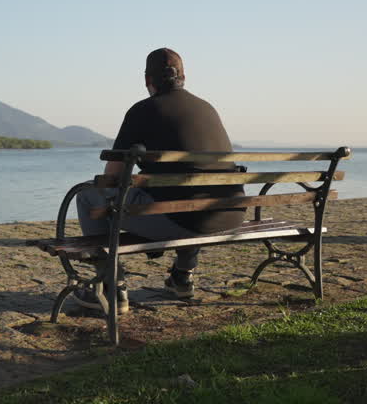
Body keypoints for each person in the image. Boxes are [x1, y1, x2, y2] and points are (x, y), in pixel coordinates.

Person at [73, 47, 244, 313]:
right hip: (230, 214)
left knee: (86, 196)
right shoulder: (207, 108)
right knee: (189, 198)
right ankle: (182, 276)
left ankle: (111, 287)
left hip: (184, 220)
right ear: (184, 77)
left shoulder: (143, 110)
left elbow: (111, 178)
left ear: (147, 80)